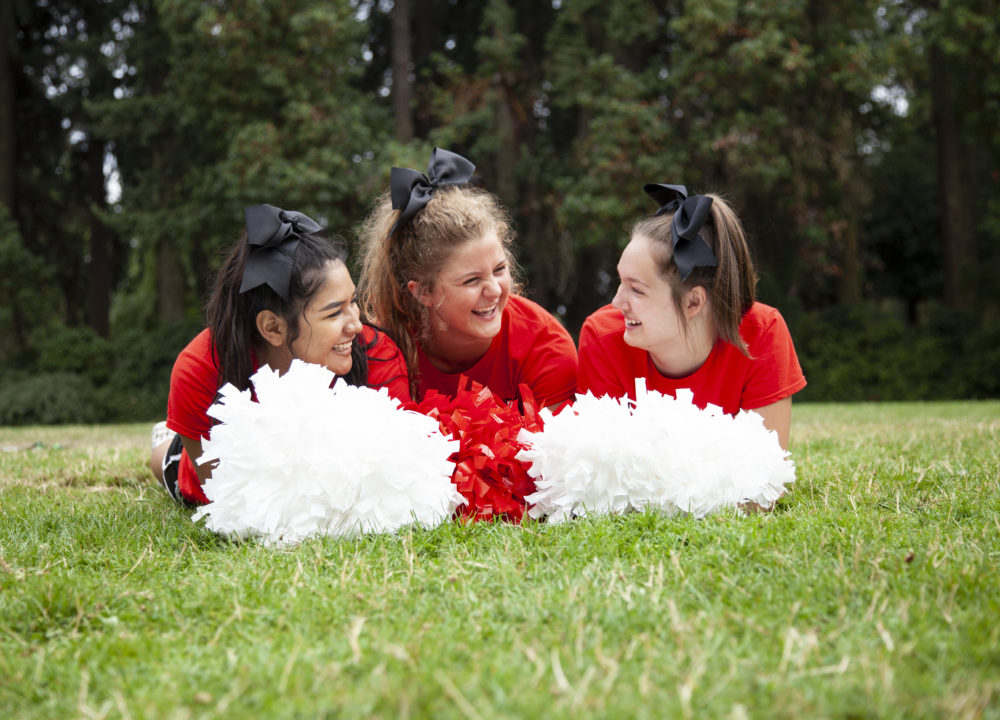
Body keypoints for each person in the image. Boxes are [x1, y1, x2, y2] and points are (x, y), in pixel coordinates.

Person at [150, 204, 410, 506]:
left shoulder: (378, 353)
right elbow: (223, 496)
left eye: (351, 302)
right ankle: (167, 440)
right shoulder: (199, 367)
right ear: (272, 327)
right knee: (163, 460)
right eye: (334, 312)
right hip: (216, 472)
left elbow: (392, 470)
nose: (355, 324)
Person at [577, 184, 806, 450]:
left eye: (636, 290)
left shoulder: (762, 332)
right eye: (620, 281)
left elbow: (767, 475)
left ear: (693, 301)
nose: (617, 302)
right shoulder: (602, 337)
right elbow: (603, 470)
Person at [357, 147, 578, 410]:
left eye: (499, 269)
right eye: (471, 281)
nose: (494, 290)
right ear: (422, 292)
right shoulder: (383, 347)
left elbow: (551, 451)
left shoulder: (545, 347)